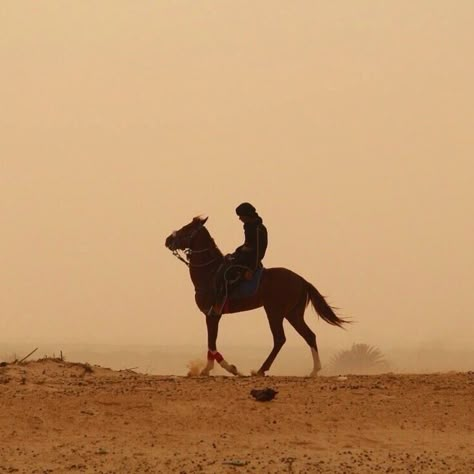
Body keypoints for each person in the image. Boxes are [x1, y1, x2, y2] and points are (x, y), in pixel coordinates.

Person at [209, 202, 268, 316]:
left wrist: (251, 269)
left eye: (241, 216)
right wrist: (235, 253)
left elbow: (257, 251)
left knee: (228, 274)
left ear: (247, 215)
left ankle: (222, 304)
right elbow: (246, 245)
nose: (240, 219)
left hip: (250, 262)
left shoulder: (258, 228)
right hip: (244, 258)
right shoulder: (249, 226)